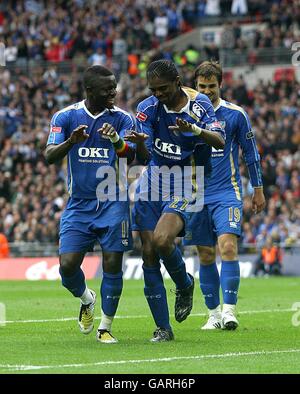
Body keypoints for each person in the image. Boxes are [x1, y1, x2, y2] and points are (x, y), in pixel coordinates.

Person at [125, 59, 225, 342]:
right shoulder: (147, 109)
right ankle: (163, 328)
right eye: (152, 89)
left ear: (178, 82)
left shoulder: (200, 104)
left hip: (187, 181)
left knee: (161, 240)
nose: (157, 94)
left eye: (162, 88)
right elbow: (143, 158)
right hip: (154, 179)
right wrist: (141, 143)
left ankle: (183, 283)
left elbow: (219, 140)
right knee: (147, 253)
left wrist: (195, 131)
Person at [44, 65, 136, 344]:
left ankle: (105, 327)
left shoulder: (122, 119)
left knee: (112, 263)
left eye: (114, 87)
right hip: (79, 204)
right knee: (67, 266)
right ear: (90, 90)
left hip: (113, 201)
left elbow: (130, 157)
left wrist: (117, 140)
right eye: (108, 88)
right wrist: (71, 141)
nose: (114, 92)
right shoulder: (66, 117)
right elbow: (49, 155)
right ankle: (86, 298)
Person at [184, 61, 266, 330]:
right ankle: (213, 314)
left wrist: (258, 189)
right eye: (201, 86)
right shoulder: (186, 115)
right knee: (205, 254)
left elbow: (251, 153)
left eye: (211, 86)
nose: (206, 91)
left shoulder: (235, 114)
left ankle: (230, 310)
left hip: (226, 192)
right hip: (195, 194)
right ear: (195, 87)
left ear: (221, 85)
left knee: (228, 247)